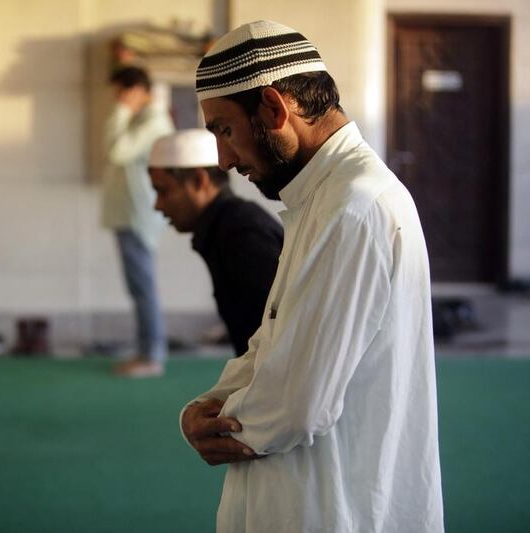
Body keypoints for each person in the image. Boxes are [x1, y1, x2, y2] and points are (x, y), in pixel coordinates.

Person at [179, 20, 444, 532]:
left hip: (337, 507)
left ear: (275, 109)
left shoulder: (353, 207)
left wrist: (216, 424)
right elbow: (271, 348)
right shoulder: (319, 199)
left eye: (225, 131)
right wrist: (201, 407)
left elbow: (294, 404)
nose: (224, 158)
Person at [148, 129, 283, 356]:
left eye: (163, 191)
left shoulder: (243, 235)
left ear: (200, 181)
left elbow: (278, 339)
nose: (158, 206)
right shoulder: (226, 228)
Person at [101, 66, 174, 377]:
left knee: (143, 287)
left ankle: (153, 356)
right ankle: (147, 351)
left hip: (138, 215)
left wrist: (120, 110)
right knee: (139, 287)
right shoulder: (142, 120)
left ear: (138, 90)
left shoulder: (154, 121)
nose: (119, 99)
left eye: (122, 92)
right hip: (129, 213)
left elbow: (117, 151)